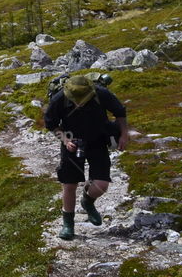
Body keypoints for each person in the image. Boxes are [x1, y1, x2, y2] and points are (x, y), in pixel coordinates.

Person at [44, 74, 129, 240]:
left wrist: (124, 134)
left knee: (102, 184)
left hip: (98, 141)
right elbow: (51, 124)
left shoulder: (101, 93)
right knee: (69, 184)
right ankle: (68, 224)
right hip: (72, 144)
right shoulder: (59, 98)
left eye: (83, 99)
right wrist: (65, 140)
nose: (79, 102)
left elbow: (120, 112)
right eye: (75, 100)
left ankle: (87, 201)